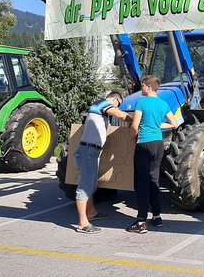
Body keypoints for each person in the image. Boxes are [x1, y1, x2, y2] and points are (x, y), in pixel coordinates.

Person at [74, 90, 131, 234]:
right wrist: (136, 120)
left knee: (91, 185)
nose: (116, 107)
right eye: (118, 104)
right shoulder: (101, 103)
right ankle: (82, 223)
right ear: (114, 100)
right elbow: (120, 115)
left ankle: (91, 212)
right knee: (84, 186)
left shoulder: (100, 111)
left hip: (92, 151)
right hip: (88, 151)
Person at [127, 75, 177, 234]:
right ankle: (157, 216)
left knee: (141, 183)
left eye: (142, 86)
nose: (141, 88)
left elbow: (134, 126)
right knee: (153, 180)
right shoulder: (163, 103)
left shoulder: (141, 102)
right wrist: (156, 125)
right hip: (158, 145)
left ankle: (141, 221)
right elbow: (173, 124)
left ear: (148, 87)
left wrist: (133, 137)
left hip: (144, 144)